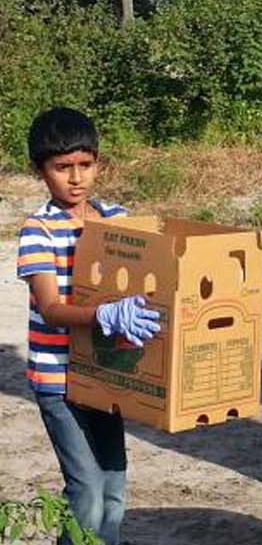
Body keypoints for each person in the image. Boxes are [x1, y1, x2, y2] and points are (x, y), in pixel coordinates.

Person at [17, 108, 158, 545]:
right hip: (58, 380)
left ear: (98, 163)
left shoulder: (117, 219)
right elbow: (51, 307)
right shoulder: (39, 230)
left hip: (105, 373)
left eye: (85, 164)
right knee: (87, 492)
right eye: (62, 168)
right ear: (40, 171)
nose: (76, 178)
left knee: (114, 486)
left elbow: (157, 281)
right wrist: (103, 314)